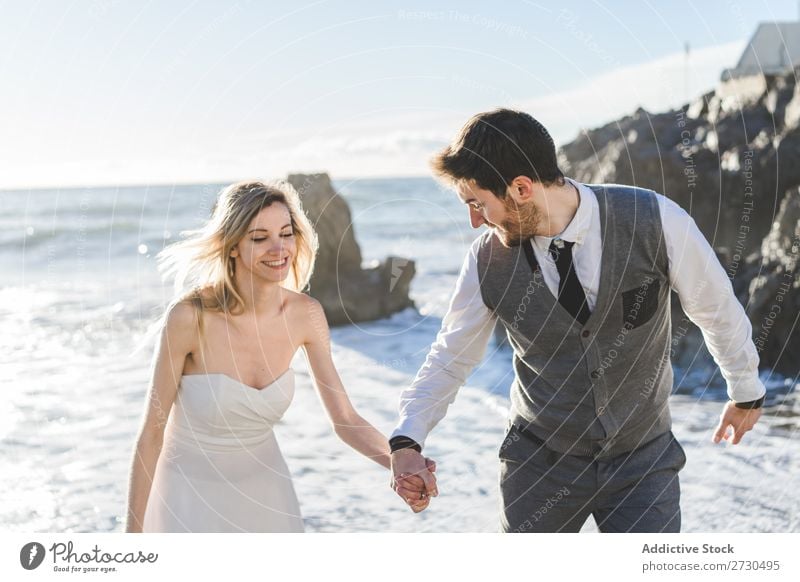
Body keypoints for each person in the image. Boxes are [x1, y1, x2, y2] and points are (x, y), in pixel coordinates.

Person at [388, 108, 766, 531]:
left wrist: (745, 387)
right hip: (539, 465)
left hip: (643, 461)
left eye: (478, 204)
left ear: (521, 188)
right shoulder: (485, 260)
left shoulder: (656, 219)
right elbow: (451, 356)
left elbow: (714, 305)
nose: (475, 220)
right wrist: (408, 438)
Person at [126, 180, 432, 533]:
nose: (279, 248)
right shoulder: (188, 317)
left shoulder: (306, 315)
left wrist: (398, 462)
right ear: (232, 246)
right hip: (187, 499)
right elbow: (151, 434)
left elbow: (345, 419)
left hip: (268, 498)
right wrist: (132, 538)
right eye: (260, 238)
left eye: (286, 234)